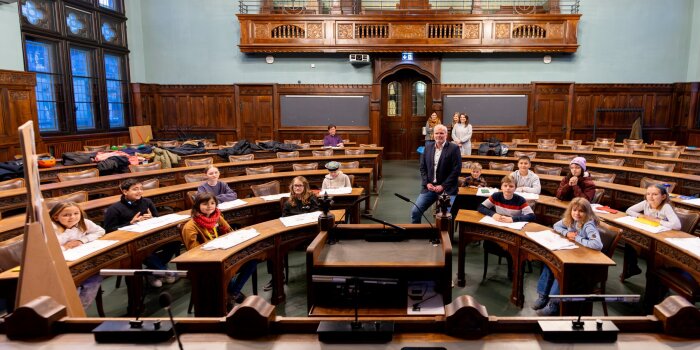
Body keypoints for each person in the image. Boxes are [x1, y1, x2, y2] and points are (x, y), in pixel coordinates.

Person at [182, 192, 257, 308]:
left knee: (252, 262)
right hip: (206, 262)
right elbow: (193, 250)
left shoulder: (217, 217)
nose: (209, 206)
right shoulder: (190, 226)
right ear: (197, 206)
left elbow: (230, 232)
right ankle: (233, 295)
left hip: (225, 254)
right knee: (224, 271)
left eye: (212, 203)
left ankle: (232, 294)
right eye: (205, 204)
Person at [103, 178, 180, 287]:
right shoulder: (114, 209)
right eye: (135, 189)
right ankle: (165, 272)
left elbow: (157, 218)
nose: (139, 192)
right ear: (125, 192)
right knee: (144, 251)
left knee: (175, 242)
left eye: (141, 189)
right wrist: (130, 223)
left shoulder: (147, 202)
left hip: (152, 236)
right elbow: (109, 230)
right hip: (133, 243)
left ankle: (152, 272)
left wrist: (152, 218)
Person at [533, 197, 603, 316]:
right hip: (573, 252)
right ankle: (543, 296)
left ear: (587, 213)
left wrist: (577, 238)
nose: (577, 213)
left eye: (581, 211)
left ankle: (553, 305)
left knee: (560, 271)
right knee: (549, 265)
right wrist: (567, 233)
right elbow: (556, 226)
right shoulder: (571, 219)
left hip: (584, 261)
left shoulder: (588, 224)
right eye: (574, 210)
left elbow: (597, 244)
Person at [50, 201, 105, 310]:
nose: (72, 217)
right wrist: (65, 247)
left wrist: (82, 240)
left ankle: (80, 310)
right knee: (72, 286)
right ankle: (71, 311)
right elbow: (47, 250)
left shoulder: (84, 223)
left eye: (76, 213)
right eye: (66, 215)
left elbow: (100, 231)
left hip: (80, 260)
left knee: (94, 277)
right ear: (56, 217)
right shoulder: (51, 229)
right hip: (61, 266)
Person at [621, 184, 681, 279]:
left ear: (663, 196)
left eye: (655, 194)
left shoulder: (666, 207)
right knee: (630, 243)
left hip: (661, 237)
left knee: (651, 256)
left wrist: (657, 220)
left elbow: (677, 225)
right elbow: (629, 210)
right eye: (648, 194)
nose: (650, 197)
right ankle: (632, 268)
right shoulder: (645, 203)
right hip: (649, 232)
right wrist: (642, 216)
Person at [412, 124, 462, 223]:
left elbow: (456, 170)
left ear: (446, 135)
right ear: (433, 135)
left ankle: (443, 237)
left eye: (441, 133)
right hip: (430, 188)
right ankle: (416, 234)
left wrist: (443, 185)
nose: (439, 135)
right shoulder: (427, 147)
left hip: (447, 189)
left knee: (444, 217)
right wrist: (427, 183)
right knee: (415, 212)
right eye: (437, 133)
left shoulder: (454, 148)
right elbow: (422, 168)